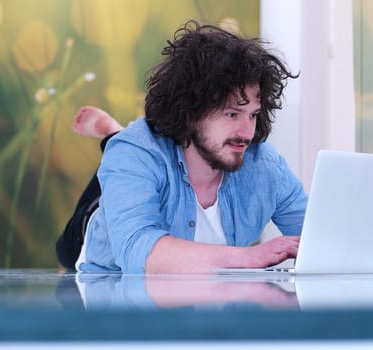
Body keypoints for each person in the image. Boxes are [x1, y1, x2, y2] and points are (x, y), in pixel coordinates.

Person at [55, 20, 307, 274]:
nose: (247, 133)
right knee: (67, 247)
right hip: (98, 247)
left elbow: (318, 236)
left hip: (197, 302)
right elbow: (136, 250)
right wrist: (249, 257)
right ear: (191, 112)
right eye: (232, 114)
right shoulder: (134, 153)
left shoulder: (264, 165)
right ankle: (113, 135)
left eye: (252, 115)